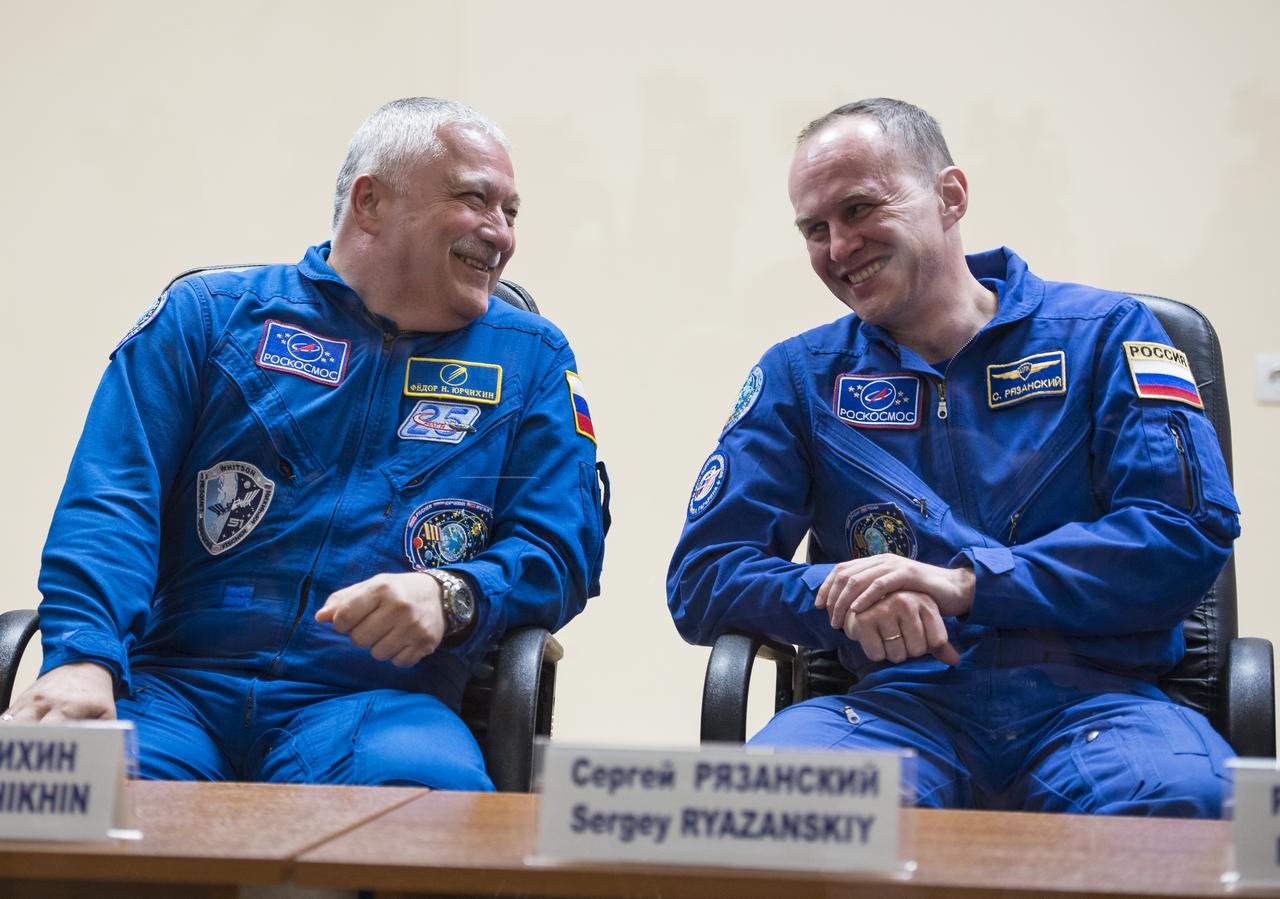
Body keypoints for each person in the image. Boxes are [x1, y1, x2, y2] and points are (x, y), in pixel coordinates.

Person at [3, 97, 607, 789]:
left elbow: (561, 547)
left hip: (374, 708)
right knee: (52, 797)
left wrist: (454, 593)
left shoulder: (531, 358)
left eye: (511, 212)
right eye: (475, 199)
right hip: (171, 689)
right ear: (371, 202)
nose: (500, 233)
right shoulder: (208, 318)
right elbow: (113, 499)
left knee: (430, 815)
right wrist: (83, 658)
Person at [667, 98, 1240, 816]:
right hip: (893, 713)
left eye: (859, 209)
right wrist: (842, 595)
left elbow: (1184, 533)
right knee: (769, 809)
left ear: (950, 196)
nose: (838, 247)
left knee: (1194, 808)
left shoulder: (1107, 335)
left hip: (1102, 704)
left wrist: (967, 584)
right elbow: (703, 577)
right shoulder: (802, 376)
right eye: (814, 229)